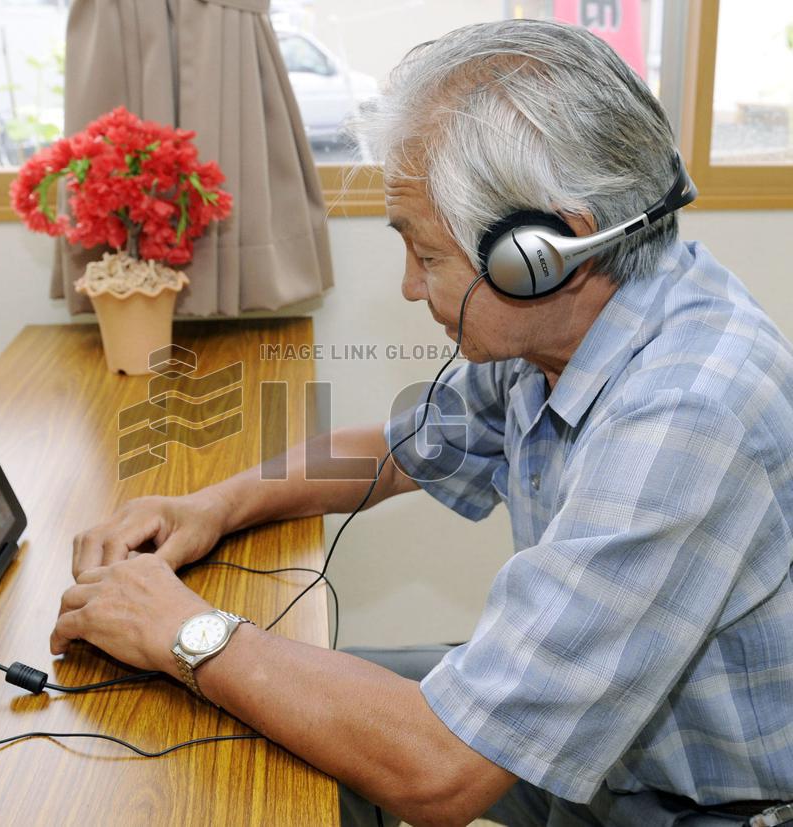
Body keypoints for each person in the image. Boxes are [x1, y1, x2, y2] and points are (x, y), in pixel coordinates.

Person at [48, 20, 793, 826]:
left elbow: (439, 770)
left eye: (428, 257)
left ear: (548, 252)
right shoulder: (563, 326)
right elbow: (401, 449)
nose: (410, 287)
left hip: (703, 806)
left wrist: (184, 629)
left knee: (289, 712)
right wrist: (212, 507)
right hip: (607, 739)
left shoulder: (687, 414)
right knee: (272, 724)